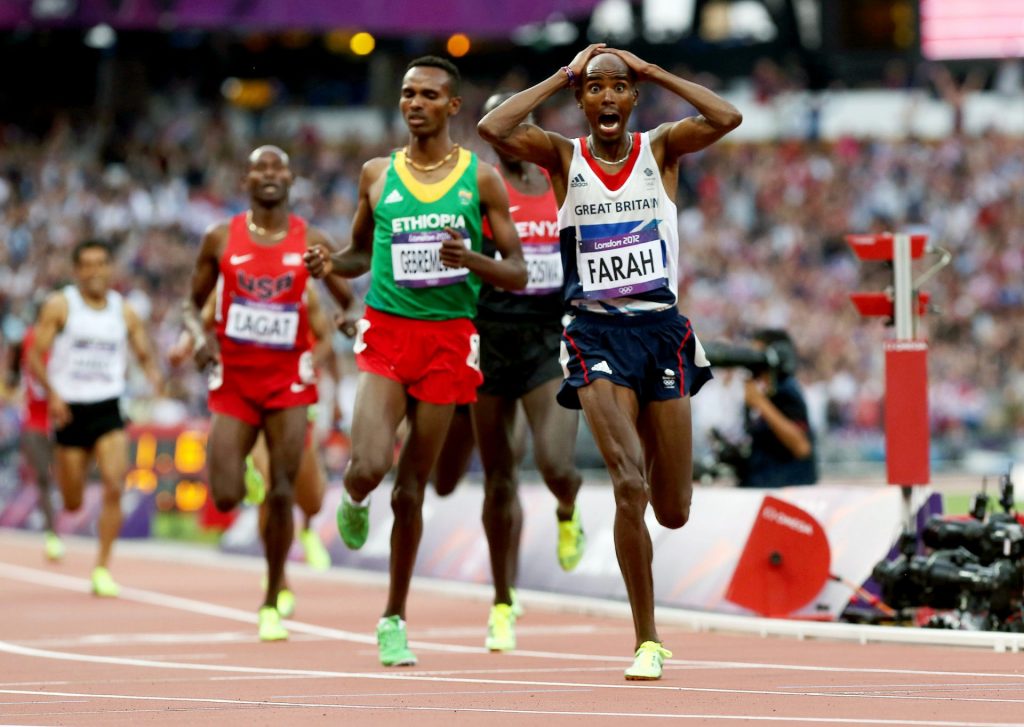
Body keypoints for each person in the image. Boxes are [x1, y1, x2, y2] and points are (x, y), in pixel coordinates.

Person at [478, 45, 742, 680]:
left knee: (672, 507)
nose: (606, 99)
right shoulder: (565, 158)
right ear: (582, 101)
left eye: (618, 88)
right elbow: (494, 129)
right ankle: (646, 640)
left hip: (661, 333)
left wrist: (650, 70)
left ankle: (651, 485)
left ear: (632, 100)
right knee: (629, 485)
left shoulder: (662, 149)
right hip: (593, 333)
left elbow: (727, 116)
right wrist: (565, 74)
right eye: (594, 90)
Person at [304, 56, 527, 667]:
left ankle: (393, 618)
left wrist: (470, 260)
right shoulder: (377, 174)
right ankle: (350, 497)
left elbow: (517, 272)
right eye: (407, 94)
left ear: (453, 106)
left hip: (450, 339)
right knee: (369, 465)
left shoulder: (481, 180)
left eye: (428, 94)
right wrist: (331, 264)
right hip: (388, 332)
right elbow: (355, 254)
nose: (415, 103)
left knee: (409, 492)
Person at [431, 91, 587, 653]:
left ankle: (569, 508)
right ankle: (502, 601)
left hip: (548, 337)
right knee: (499, 476)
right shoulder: (479, 190)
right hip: (490, 336)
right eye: (500, 126)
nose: (509, 134)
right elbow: (451, 255)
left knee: (555, 463)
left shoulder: (559, 181)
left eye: (520, 122)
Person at [184, 144, 349, 641]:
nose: (271, 174)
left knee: (282, 490)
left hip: (289, 383)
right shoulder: (219, 238)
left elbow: (345, 300)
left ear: (292, 179)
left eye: (279, 167)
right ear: (246, 181)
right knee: (228, 493)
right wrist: (200, 337)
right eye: (260, 168)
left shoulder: (311, 239)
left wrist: (352, 321)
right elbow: (192, 309)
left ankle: (273, 594)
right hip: (235, 383)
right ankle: (252, 506)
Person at [169, 276, 346, 617]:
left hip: (295, 400)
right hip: (249, 398)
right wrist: (183, 345)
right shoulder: (231, 283)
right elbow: (199, 318)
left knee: (310, 497)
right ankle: (277, 580)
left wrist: (327, 385)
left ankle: (307, 529)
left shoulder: (300, 287)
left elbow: (326, 341)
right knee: (272, 488)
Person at [28, 239, 164, 596]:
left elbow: (142, 349)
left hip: (107, 407)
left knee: (114, 484)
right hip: (70, 409)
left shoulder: (124, 310)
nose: (94, 271)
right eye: (86, 265)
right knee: (72, 500)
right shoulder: (62, 305)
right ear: (77, 271)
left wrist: (152, 374)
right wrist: (53, 394)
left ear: (110, 268)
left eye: (100, 264)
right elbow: (36, 358)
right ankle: (71, 499)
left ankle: (102, 567)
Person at [738, 329, 818, 488]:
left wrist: (760, 403)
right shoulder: (767, 392)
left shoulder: (786, 390)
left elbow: (802, 447)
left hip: (788, 491)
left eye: (758, 355)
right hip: (765, 487)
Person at [15, 313, 64, 561]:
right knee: (43, 477)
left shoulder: (65, 340)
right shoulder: (29, 338)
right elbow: (18, 368)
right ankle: (52, 534)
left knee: (67, 474)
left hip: (62, 417)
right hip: (34, 420)